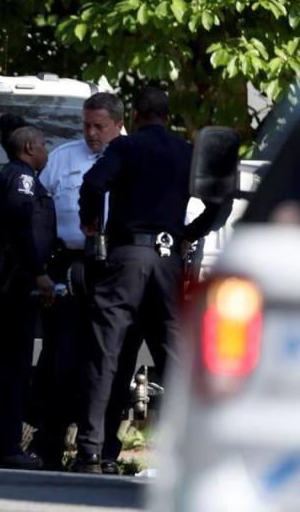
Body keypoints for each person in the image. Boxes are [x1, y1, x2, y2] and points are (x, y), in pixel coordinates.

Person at [73, 87, 223, 473]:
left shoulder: (126, 149)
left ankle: (92, 450)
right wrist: (190, 232)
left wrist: (90, 222)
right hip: (169, 259)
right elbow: (220, 203)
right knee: (174, 358)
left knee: (106, 353)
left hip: (127, 259)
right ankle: (191, 449)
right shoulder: (188, 153)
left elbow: (93, 185)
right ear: (167, 116)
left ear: (135, 116)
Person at [30, 92, 141, 473]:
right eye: (86, 125)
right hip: (73, 266)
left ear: (119, 123)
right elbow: (39, 210)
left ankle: (103, 450)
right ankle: (50, 445)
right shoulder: (63, 158)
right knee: (63, 360)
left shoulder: (135, 156)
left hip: (120, 267)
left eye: (100, 126)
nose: (91, 134)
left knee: (114, 361)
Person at [0, 124, 55, 469]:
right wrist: (39, 272)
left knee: (10, 369)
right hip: (12, 285)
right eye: (42, 144)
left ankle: (2, 445)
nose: (46, 150)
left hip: (10, 282)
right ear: (28, 147)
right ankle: (6, 448)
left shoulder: (14, 174)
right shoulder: (20, 178)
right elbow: (23, 223)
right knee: (13, 369)